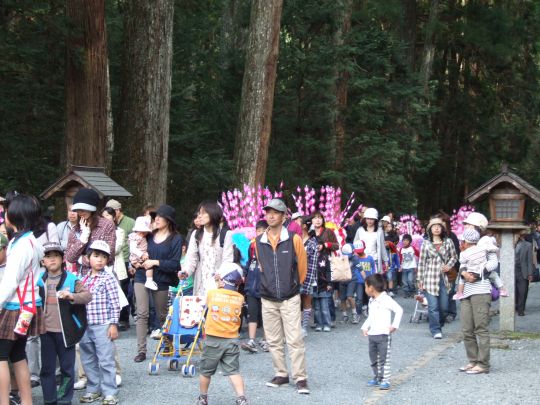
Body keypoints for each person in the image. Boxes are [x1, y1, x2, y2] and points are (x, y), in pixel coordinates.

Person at [254, 199, 309, 395]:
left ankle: (300, 377)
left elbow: (302, 268)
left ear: (284, 216)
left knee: (294, 339)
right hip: (267, 297)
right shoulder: (258, 241)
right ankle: (281, 373)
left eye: (275, 212)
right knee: (273, 340)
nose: (270, 215)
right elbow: (261, 267)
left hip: (289, 297)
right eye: (268, 211)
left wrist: (293, 286)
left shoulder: (294, 239)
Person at [0, 194, 45, 405]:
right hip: (29, 305)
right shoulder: (31, 241)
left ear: (15, 215)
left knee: (1, 356)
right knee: (18, 355)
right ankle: (27, 401)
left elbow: (10, 282)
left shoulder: (20, 246)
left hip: (14, 305)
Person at [37, 242, 92, 405]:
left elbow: (87, 296)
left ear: (62, 259)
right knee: (47, 368)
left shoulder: (72, 279)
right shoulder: (39, 280)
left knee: (67, 369)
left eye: (56, 256)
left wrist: (72, 296)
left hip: (66, 331)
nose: (52, 259)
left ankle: (63, 399)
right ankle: (49, 399)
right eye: (48, 256)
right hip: (45, 331)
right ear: (43, 261)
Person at [132, 204, 182, 363]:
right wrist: (134, 264)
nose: (157, 219)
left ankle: (167, 344)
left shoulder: (176, 238)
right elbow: (134, 248)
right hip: (141, 276)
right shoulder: (147, 234)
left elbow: (175, 264)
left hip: (161, 279)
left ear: (169, 220)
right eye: (156, 217)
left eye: (161, 216)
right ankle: (141, 351)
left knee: (162, 315)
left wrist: (155, 262)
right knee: (142, 313)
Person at [195, 263, 248, 405]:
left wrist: (215, 279)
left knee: (206, 371)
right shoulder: (239, 298)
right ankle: (241, 398)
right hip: (231, 339)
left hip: (213, 338)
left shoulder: (213, 294)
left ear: (222, 281)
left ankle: (203, 397)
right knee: (233, 371)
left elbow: (207, 300)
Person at [79, 241, 120, 405]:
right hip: (85, 325)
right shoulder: (83, 279)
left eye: (104, 257)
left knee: (106, 359)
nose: (100, 260)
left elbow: (115, 303)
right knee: (88, 359)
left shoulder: (108, 278)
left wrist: (113, 324)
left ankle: (110, 392)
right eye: (96, 256)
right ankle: (93, 389)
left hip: (103, 324)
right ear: (88, 258)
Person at [182, 201, 234, 297]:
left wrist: (219, 276)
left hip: (219, 285)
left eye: (203, 213)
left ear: (213, 214)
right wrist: (185, 272)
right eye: (199, 213)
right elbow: (191, 259)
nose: (199, 216)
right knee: (199, 311)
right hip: (200, 286)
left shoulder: (226, 234)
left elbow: (228, 261)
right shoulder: (196, 234)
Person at [417, 217, 457, 339]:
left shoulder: (448, 242)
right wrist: (420, 280)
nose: (436, 228)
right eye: (434, 226)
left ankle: (439, 324)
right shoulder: (426, 243)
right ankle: (435, 330)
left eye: (439, 226)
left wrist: (448, 266)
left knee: (444, 307)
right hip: (429, 278)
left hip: (444, 279)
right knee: (433, 307)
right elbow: (422, 262)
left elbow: (454, 257)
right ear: (429, 229)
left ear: (442, 228)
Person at [361, 274, 403, 390]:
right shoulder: (371, 300)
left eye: (365, 286)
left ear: (371, 288)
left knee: (384, 358)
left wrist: (394, 325)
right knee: (374, 358)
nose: (365, 289)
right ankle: (377, 377)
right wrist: (365, 327)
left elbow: (399, 310)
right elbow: (371, 316)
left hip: (384, 334)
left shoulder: (386, 299)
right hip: (372, 334)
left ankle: (386, 379)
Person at [66, 188, 116, 278]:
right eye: (77, 209)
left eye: (83, 209)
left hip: (101, 279)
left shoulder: (107, 225)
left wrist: (81, 259)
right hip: (81, 279)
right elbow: (70, 257)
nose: (80, 212)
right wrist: (83, 239)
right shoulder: (75, 230)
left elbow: (110, 255)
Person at [241, 220, 270, 354]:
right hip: (251, 287)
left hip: (266, 288)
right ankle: (252, 340)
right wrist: (243, 275)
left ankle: (266, 340)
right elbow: (248, 263)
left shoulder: (271, 247)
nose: (260, 234)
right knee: (252, 314)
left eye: (263, 231)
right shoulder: (252, 247)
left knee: (266, 316)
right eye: (258, 231)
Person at [453, 229, 497, 300]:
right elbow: (462, 264)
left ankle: (459, 292)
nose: (466, 226)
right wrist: (464, 273)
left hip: (481, 290)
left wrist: (475, 274)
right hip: (466, 291)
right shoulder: (467, 250)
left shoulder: (485, 243)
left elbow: (493, 263)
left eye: (468, 224)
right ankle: (460, 293)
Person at [354, 208, 388, 274]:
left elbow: (382, 247)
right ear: (365, 219)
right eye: (368, 218)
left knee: (374, 281)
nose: (369, 221)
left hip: (374, 260)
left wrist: (386, 261)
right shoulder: (360, 230)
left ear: (375, 220)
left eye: (372, 219)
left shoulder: (379, 231)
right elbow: (355, 245)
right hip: (362, 260)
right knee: (363, 280)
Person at [300, 216, 318, 336]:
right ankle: (294, 327)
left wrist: (307, 280)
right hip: (294, 276)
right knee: (294, 303)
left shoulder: (312, 242)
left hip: (308, 275)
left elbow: (313, 264)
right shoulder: (293, 239)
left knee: (307, 301)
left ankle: (304, 327)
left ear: (304, 226)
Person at [349, 240, 375, 320]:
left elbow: (373, 269)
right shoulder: (354, 258)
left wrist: (373, 279)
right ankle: (358, 313)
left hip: (368, 281)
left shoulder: (370, 258)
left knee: (369, 297)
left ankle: (367, 310)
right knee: (359, 298)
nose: (359, 253)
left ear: (364, 248)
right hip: (358, 281)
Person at [128, 217, 154, 290]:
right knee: (149, 266)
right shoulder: (134, 236)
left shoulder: (146, 237)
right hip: (137, 256)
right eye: (141, 231)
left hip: (144, 255)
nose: (143, 233)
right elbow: (132, 248)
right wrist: (141, 255)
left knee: (149, 266)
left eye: (145, 232)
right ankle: (149, 280)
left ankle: (149, 280)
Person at [515, 229, 534, 316]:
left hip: (523, 271)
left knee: (523, 291)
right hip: (512, 270)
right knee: (514, 290)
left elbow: (530, 260)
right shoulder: (510, 244)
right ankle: (515, 306)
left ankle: (521, 309)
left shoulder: (528, 245)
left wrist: (530, 273)